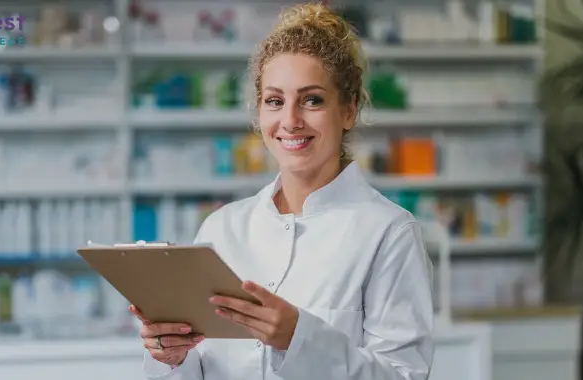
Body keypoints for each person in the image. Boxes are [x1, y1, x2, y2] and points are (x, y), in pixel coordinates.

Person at [129, 3, 435, 380]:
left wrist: (299, 338)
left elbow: (404, 375)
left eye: (312, 100)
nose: (290, 120)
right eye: (275, 101)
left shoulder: (389, 233)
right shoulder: (221, 229)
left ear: (349, 110)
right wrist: (173, 358)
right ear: (259, 112)